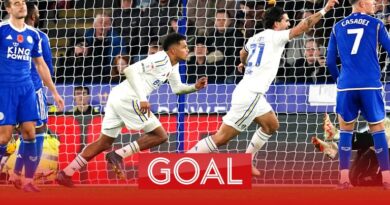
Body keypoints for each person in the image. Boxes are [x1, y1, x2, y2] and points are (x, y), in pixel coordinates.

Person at [187, 1, 339, 177]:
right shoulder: (277, 36)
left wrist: (243, 64)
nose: (289, 23)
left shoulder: (255, 38)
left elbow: (242, 53)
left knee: (271, 125)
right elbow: (304, 26)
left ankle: (247, 161)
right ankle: (184, 162)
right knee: (221, 137)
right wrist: (325, 9)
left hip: (251, 92)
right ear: (276, 24)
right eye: (286, 20)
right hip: (251, 95)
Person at [56, 33, 207, 186]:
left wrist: (194, 87)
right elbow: (129, 70)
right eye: (184, 47)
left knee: (104, 142)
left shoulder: (173, 65)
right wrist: (142, 98)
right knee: (161, 135)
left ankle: (66, 172)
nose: (188, 49)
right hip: (130, 98)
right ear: (173, 50)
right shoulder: (160, 58)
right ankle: (118, 155)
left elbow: (177, 88)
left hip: (118, 96)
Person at [0, 0, 64, 192]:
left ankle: (26, 180)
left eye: (23, 3)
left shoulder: (34, 35)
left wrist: (54, 92)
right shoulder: (2, 30)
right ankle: (16, 174)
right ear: (8, 9)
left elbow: (41, 65)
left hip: (28, 89)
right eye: (16, 3)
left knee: (32, 133)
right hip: (6, 89)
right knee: (5, 137)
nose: (22, 6)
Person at [326, 0, 390, 189]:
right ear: (362, 2)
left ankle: (344, 179)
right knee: (378, 129)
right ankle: (386, 179)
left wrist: (340, 80)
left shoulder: (337, 27)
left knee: (346, 129)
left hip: (346, 85)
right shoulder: (377, 24)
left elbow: (330, 61)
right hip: (370, 84)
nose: (375, 3)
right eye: (371, 1)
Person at [312, 114, 390, 186]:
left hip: (374, 179)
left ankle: (335, 141)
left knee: (382, 136)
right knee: (382, 130)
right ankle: (335, 143)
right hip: (367, 176)